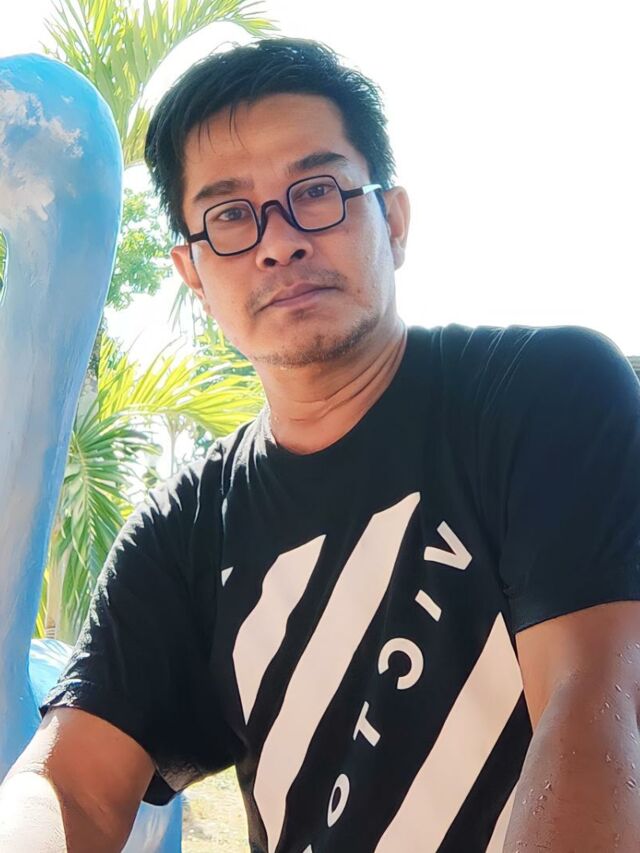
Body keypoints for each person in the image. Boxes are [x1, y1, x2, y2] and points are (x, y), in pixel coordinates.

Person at [2, 36, 640, 853]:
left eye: (316, 191)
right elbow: (70, 784)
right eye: (230, 215)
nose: (278, 241)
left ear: (394, 221)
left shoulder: (543, 396)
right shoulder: (182, 534)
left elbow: (596, 700)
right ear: (194, 274)